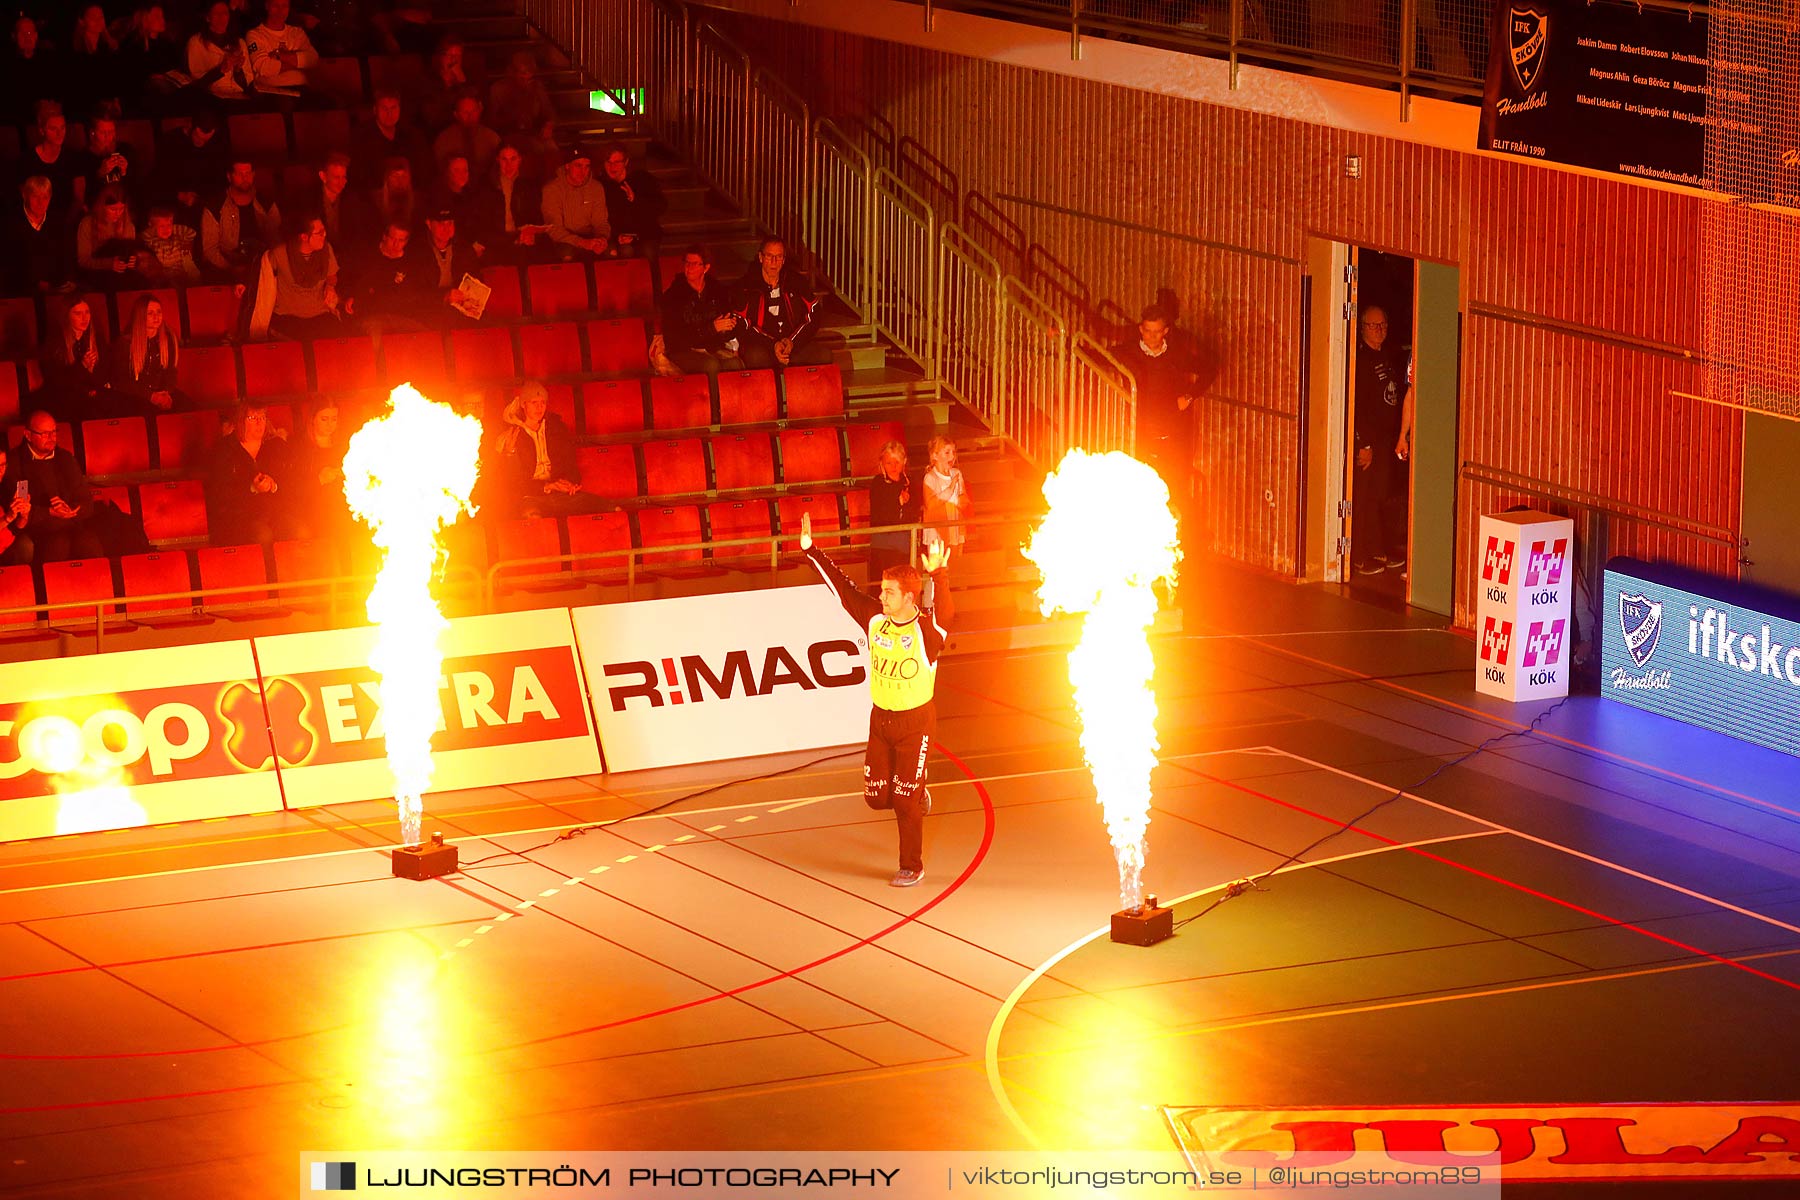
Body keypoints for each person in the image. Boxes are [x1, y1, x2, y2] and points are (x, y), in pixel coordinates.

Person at [797, 510, 952, 888]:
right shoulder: (874, 619)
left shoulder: (925, 634)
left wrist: (939, 575)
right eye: (882, 590)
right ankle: (918, 793)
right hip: (880, 720)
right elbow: (844, 591)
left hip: (916, 723)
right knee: (875, 797)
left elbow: (946, 611)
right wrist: (811, 550)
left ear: (909, 597)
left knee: (903, 801)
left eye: (889, 592)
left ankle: (911, 865)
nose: (881, 596)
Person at [1113, 304, 1197, 516]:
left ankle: (1177, 540)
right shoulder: (1128, 352)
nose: (1152, 336)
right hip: (1142, 434)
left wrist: (1189, 396)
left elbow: (1210, 366)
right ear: (1141, 329)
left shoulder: (1177, 355)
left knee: (1174, 489)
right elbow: (1096, 354)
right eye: (1148, 331)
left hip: (1172, 436)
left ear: (1165, 331)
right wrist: (1064, 340)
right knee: (1141, 490)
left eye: (1157, 331)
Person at [488, 380, 604, 518]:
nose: (539, 407)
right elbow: (513, 482)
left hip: (561, 494)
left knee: (609, 508)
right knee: (532, 517)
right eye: (534, 403)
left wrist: (570, 483)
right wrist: (510, 453)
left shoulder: (557, 428)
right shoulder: (513, 434)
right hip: (532, 497)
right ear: (523, 405)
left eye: (542, 402)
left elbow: (570, 463)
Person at [2, 411, 106, 563]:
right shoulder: (15, 462)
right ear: (28, 435)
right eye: (44, 434)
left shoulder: (65, 458)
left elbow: (86, 502)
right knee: (59, 544)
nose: (51, 438)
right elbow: (19, 510)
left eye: (53, 432)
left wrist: (71, 510)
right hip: (37, 529)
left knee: (89, 541)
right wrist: (49, 512)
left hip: (70, 524)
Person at [1351, 304, 1409, 576]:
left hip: (1388, 441)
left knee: (1382, 496)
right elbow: (1357, 406)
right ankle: (1361, 555)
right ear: (1362, 328)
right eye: (1373, 326)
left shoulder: (1388, 355)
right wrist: (1364, 444)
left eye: (1383, 324)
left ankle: (1379, 549)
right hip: (1370, 443)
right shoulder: (1359, 361)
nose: (1379, 330)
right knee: (1365, 498)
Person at [203, 400, 301, 546]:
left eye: (262, 417)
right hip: (240, 516)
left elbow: (292, 481)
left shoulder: (276, 446)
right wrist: (252, 488)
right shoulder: (224, 450)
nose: (259, 423)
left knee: (297, 531)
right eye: (253, 418)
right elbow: (219, 492)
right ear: (240, 421)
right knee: (262, 536)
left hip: (273, 512)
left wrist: (274, 486)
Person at [246, 213, 348, 341]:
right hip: (288, 318)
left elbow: (332, 276)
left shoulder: (326, 250)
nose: (324, 235)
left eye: (324, 231)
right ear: (304, 237)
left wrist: (330, 285)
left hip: (319, 315)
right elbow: (263, 284)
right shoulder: (278, 255)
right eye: (320, 233)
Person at [734, 238, 823, 367]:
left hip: (791, 343)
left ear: (784, 259)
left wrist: (792, 342)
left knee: (822, 355)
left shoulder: (795, 282)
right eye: (769, 256)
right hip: (761, 345)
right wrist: (773, 344)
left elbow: (814, 314)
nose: (774, 262)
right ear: (761, 257)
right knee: (756, 358)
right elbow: (742, 324)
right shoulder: (746, 286)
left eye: (779, 256)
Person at [659, 245, 743, 374]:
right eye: (687, 262)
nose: (689, 267)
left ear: (706, 268)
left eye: (694, 264)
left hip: (711, 347)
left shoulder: (717, 290)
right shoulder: (673, 295)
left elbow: (726, 324)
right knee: (711, 365)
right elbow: (675, 339)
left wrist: (727, 328)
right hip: (683, 350)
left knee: (734, 363)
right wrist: (712, 328)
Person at [202, 158, 281, 283]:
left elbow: (276, 240)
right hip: (226, 267)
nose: (245, 178)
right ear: (229, 176)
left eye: (248, 173)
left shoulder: (266, 202)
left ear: (253, 174)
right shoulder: (215, 206)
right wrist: (231, 268)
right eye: (239, 174)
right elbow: (210, 249)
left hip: (262, 265)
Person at [471, 142, 549, 262]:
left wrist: (532, 235)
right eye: (504, 159)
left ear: (519, 160)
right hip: (495, 241)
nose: (509, 165)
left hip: (521, 240)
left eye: (513, 159)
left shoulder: (529, 185)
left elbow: (536, 217)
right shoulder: (486, 185)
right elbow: (481, 220)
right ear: (498, 160)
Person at [110, 295, 187, 415]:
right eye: (150, 313)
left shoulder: (168, 338)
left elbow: (171, 372)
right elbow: (122, 381)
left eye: (158, 312)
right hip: (137, 396)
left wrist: (166, 392)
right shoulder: (125, 343)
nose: (156, 317)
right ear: (140, 316)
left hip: (162, 392)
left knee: (190, 408)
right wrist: (151, 396)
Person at [345, 220, 428, 332]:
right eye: (392, 238)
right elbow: (355, 281)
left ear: (406, 241)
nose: (396, 244)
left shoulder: (411, 262)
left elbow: (414, 295)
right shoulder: (368, 255)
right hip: (372, 316)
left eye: (401, 240)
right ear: (384, 237)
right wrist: (352, 296)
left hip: (402, 317)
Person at [154, 110, 228, 233]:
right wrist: (179, 195)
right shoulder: (170, 142)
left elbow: (217, 177)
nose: (201, 143)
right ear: (190, 127)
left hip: (203, 199)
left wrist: (202, 197)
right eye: (198, 137)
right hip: (173, 198)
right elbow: (160, 177)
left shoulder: (215, 145)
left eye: (205, 141)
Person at [36, 297, 109, 421]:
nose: (84, 318)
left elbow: (106, 371)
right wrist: (82, 367)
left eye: (87, 312)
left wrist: (95, 385)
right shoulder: (55, 345)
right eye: (78, 313)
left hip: (91, 395)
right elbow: (57, 382)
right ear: (67, 316)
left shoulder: (96, 340)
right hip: (64, 399)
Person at [1, 176, 74, 296]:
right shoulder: (10, 224)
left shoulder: (58, 222)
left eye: (45, 197)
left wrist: (57, 281)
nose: (41, 202)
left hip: (55, 287)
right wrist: (35, 283)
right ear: (25, 196)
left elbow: (66, 256)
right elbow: (9, 262)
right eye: (35, 196)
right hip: (20, 289)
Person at [919, 435, 969, 608]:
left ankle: (950, 606)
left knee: (953, 568)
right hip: (937, 532)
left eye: (953, 452)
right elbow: (930, 504)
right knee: (936, 569)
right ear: (934, 456)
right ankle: (929, 606)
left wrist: (961, 501)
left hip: (954, 528)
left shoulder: (957, 474)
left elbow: (964, 500)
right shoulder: (930, 478)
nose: (951, 456)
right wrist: (949, 491)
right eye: (947, 452)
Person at [540, 145, 611, 259]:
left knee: (611, 251)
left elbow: (601, 222)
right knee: (566, 253)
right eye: (578, 166)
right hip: (565, 240)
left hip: (591, 237)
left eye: (586, 166)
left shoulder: (596, 187)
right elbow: (554, 228)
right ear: (567, 166)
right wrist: (581, 242)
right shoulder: (552, 189)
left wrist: (602, 239)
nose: (583, 171)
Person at [18, 105, 86, 221]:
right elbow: (24, 195)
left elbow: (78, 198)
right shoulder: (27, 160)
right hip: (36, 218)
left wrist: (66, 222)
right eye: (53, 129)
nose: (59, 133)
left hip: (66, 218)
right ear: (42, 130)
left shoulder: (73, 158)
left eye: (62, 128)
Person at [867, 438, 920, 586]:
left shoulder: (910, 482)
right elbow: (878, 513)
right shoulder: (878, 483)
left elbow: (916, 510)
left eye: (897, 462)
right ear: (882, 463)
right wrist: (897, 503)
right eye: (889, 462)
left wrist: (907, 504)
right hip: (883, 542)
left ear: (904, 462)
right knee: (882, 583)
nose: (893, 467)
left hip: (903, 541)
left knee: (901, 583)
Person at [415, 207, 481, 324]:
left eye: (450, 223)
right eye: (441, 223)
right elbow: (416, 293)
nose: (446, 229)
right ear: (429, 224)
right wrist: (444, 296)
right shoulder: (418, 252)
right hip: (431, 312)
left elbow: (476, 279)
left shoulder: (464, 249)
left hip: (461, 311)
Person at [598, 143, 665, 256]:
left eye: (617, 162)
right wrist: (616, 236)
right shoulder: (601, 185)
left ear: (626, 162)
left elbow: (661, 206)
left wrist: (635, 199)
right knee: (616, 251)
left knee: (647, 251)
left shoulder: (642, 179)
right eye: (608, 162)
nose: (612, 167)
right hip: (616, 236)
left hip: (644, 235)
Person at [75, 185, 143, 289]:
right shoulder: (88, 224)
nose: (118, 214)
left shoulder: (128, 226)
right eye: (113, 209)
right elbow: (83, 260)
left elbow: (130, 252)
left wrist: (133, 261)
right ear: (102, 207)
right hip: (96, 276)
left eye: (121, 209)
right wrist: (109, 264)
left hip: (122, 278)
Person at [244, 0, 318, 95]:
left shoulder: (297, 33)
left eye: (284, 6)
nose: (280, 11)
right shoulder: (254, 35)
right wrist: (297, 63)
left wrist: (281, 56)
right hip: (272, 91)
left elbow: (313, 59)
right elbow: (263, 67)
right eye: (276, 5)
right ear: (267, 6)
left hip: (302, 88)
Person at [187, 1, 253, 100]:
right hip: (210, 98)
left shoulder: (240, 42)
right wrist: (220, 69)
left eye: (225, 13)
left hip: (237, 96)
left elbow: (246, 84)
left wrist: (238, 70)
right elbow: (196, 84)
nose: (221, 17)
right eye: (216, 14)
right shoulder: (197, 43)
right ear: (208, 17)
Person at [433, 91, 500, 179]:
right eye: (465, 112)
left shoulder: (492, 138)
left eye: (474, 111)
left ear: (479, 111)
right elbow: (442, 171)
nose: (470, 115)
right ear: (456, 114)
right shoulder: (444, 140)